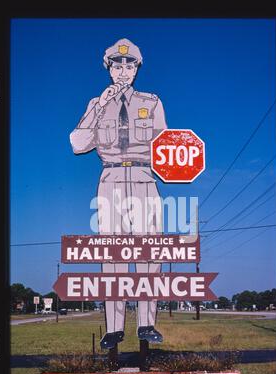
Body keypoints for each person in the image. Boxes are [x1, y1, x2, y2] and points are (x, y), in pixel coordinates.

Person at [70, 38, 167, 349]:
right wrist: (99, 106)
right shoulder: (96, 104)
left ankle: (146, 323)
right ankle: (114, 328)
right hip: (110, 180)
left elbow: (165, 146)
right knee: (112, 254)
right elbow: (78, 144)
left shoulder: (151, 102)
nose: (123, 70)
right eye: (117, 64)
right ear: (108, 68)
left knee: (149, 252)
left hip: (144, 178)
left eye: (129, 64)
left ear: (137, 68)